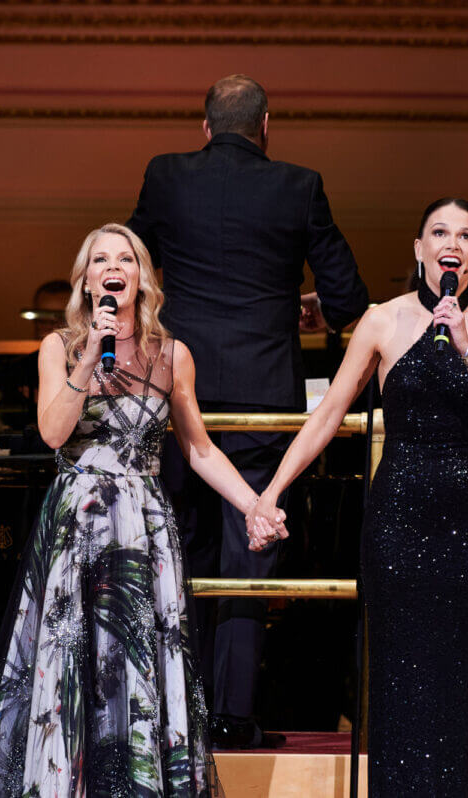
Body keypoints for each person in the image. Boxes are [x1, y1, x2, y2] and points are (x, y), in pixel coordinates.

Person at [0, 223, 282, 797]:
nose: (113, 268)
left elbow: (198, 447)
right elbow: (52, 431)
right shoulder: (58, 347)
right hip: (78, 524)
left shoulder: (172, 354)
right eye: (99, 260)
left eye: (126, 259)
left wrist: (254, 504)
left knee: (136, 663)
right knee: (74, 659)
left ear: (142, 280)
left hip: (142, 530)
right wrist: (88, 358)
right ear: (87, 282)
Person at [247, 198, 468, 794]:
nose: (452, 242)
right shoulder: (382, 320)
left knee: (464, 688)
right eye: (439, 231)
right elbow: (326, 416)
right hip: (399, 524)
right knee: (400, 687)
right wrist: (269, 492)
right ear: (419, 248)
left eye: (467, 235)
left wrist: (466, 347)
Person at [126, 74, 369, 747]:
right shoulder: (300, 185)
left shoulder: (167, 176)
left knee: (179, 551)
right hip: (265, 393)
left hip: (179, 391)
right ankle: (230, 719)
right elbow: (348, 300)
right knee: (247, 555)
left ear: (205, 127)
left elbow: (129, 267)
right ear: (267, 127)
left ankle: (174, 720)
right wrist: (298, 308)